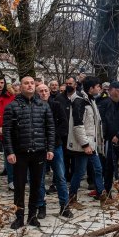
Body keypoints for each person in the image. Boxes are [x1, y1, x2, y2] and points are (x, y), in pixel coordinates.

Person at [2, 77, 55, 229]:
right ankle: (19, 217)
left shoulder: (43, 106)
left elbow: (50, 129)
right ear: (20, 86)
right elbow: (6, 132)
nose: (30, 85)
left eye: (32, 83)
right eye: (26, 83)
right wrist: (9, 152)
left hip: (39, 152)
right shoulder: (12, 106)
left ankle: (32, 216)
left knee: (36, 186)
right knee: (19, 187)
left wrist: (50, 148)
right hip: (20, 153)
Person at [67, 76, 106, 206]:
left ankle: (102, 196)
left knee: (98, 169)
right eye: (97, 86)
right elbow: (78, 125)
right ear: (91, 88)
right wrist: (85, 145)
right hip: (84, 145)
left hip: (92, 143)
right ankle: (71, 198)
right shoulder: (79, 101)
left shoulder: (90, 100)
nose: (99, 88)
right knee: (79, 172)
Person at [36, 83, 72, 218]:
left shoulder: (56, 105)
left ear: (49, 92)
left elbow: (64, 124)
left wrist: (53, 136)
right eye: (41, 91)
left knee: (60, 177)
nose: (44, 93)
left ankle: (65, 205)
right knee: (39, 179)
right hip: (39, 147)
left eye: (46, 90)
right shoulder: (34, 106)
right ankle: (41, 206)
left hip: (56, 146)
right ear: (37, 93)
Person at [98, 81, 119, 195]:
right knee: (109, 166)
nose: (110, 93)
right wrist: (105, 136)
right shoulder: (106, 103)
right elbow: (104, 121)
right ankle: (107, 190)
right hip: (110, 140)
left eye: (112, 90)